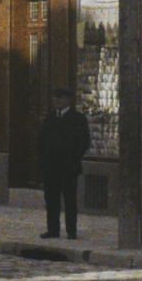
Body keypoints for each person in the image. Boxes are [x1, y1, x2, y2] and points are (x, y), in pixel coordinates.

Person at [38, 86, 92, 240]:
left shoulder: (78, 118)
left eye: (60, 98)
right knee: (51, 199)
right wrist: (44, 158)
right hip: (51, 166)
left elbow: (84, 141)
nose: (56, 101)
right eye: (55, 98)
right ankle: (53, 230)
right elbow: (41, 139)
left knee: (69, 199)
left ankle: (71, 230)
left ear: (68, 100)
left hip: (69, 166)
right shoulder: (50, 117)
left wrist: (73, 157)